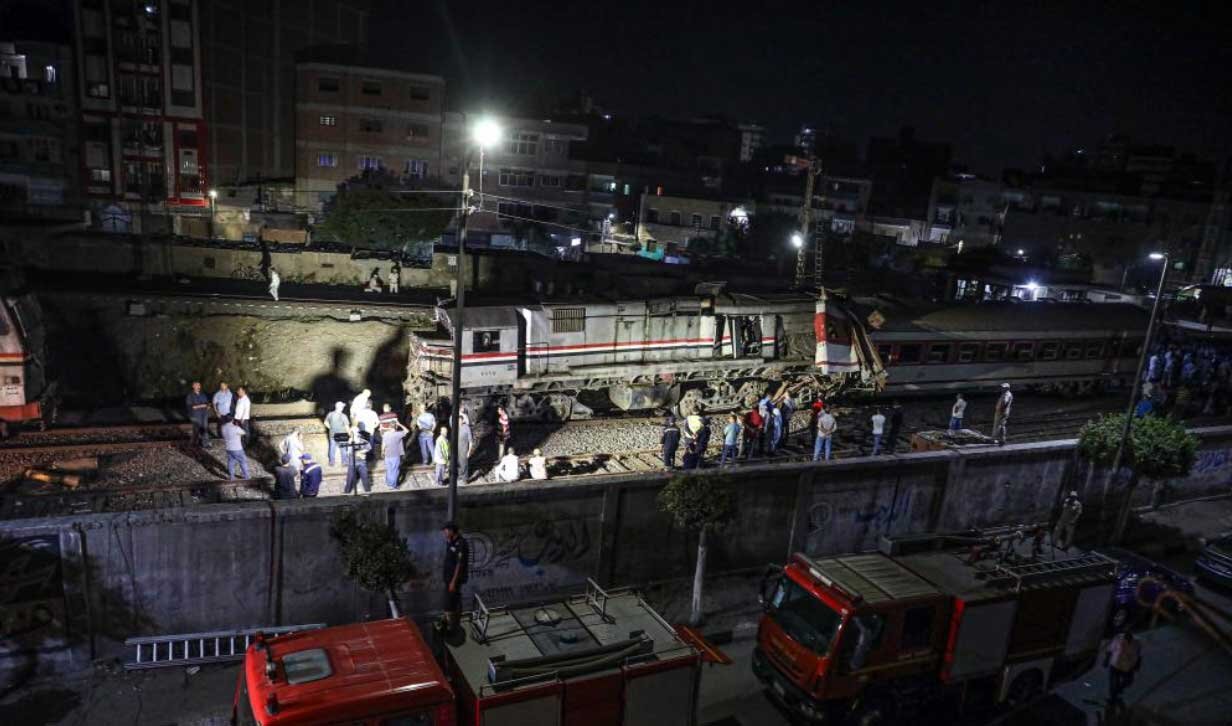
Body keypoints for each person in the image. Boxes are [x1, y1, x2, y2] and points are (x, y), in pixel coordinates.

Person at [441, 521, 470, 634]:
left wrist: (453, 582)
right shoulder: (451, 542)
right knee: (449, 600)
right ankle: (447, 621)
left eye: (446, 530)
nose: (444, 533)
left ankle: (452, 627)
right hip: (448, 578)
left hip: (454, 580)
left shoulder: (461, 544)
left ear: (452, 531)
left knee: (451, 603)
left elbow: (459, 564)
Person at [1104, 630, 1141, 704]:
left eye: (1129, 639)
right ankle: (1112, 698)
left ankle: (1118, 690)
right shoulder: (1118, 639)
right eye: (1126, 639)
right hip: (1116, 665)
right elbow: (1110, 649)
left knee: (1128, 681)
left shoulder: (1136, 642)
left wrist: (1137, 665)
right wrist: (1106, 660)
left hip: (1127, 666)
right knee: (1114, 683)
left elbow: (1138, 655)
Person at [344, 424, 373, 494]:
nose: (352, 433)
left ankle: (367, 490)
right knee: (350, 477)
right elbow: (348, 452)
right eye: (352, 432)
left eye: (353, 432)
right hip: (352, 461)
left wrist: (361, 452)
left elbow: (369, 447)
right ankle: (347, 491)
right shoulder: (350, 440)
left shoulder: (362, 440)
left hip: (361, 462)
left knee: (364, 476)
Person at [382, 418, 409, 489]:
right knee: (395, 470)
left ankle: (388, 483)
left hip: (387, 455)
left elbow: (384, 444)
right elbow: (407, 430)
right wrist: (399, 424)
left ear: (389, 426)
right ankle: (393, 486)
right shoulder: (398, 434)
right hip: (395, 455)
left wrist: (382, 452)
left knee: (389, 469)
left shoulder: (386, 434)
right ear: (396, 427)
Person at [323, 401, 350, 467]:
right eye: (342, 407)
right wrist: (349, 434)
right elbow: (346, 426)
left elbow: (325, 422)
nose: (343, 408)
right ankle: (344, 462)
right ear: (340, 408)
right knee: (343, 449)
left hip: (332, 434)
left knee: (332, 448)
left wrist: (331, 428)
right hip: (342, 434)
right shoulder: (343, 416)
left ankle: (331, 462)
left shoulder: (330, 414)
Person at [185, 381, 210, 448]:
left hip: (204, 414)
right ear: (193, 386)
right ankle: (193, 444)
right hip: (195, 415)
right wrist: (202, 405)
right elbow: (192, 407)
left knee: (205, 429)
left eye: (199, 385)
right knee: (196, 430)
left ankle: (206, 444)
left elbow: (206, 403)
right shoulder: (190, 396)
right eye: (196, 385)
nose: (198, 386)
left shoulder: (203, 395)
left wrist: (208, 406)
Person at [457, 411, 474, 483]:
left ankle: (465, 479)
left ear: (462, 420)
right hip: (457, 449)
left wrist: (469, 451)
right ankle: (460, 476)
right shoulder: (455, 427)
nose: (459, 422)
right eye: (458, 421)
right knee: (458, 463)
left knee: (464, 464)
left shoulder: (466, 427)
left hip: (464, 449)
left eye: (460, 420)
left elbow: (470, 440)